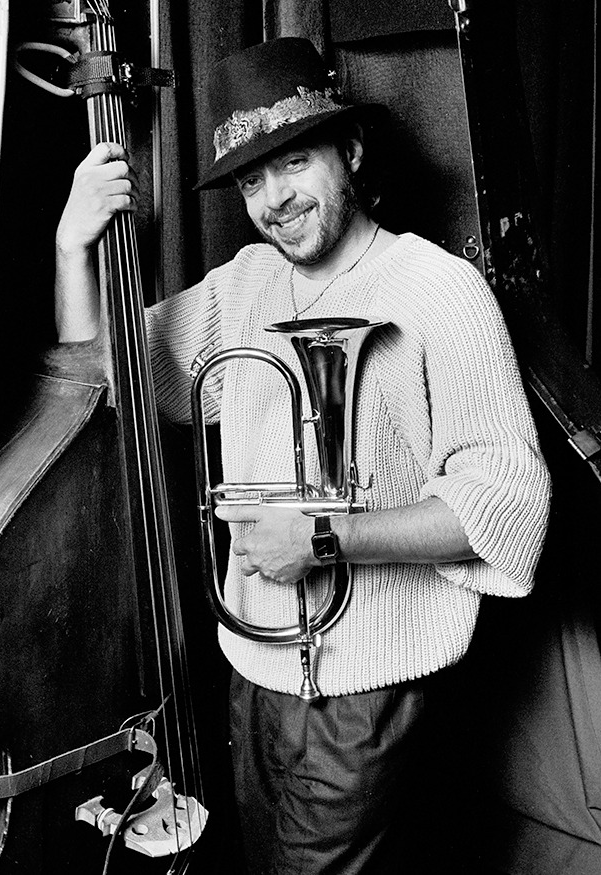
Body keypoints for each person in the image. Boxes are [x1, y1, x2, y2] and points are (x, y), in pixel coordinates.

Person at [54, 37, 551, 875]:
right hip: (250, 679)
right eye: (252, 180)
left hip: (366, 695)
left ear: (350, 152)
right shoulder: (246, 283)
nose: (273, 199)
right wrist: (74, 247)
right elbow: (108, 378)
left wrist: (322, 537)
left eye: (293, 164)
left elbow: (508, 504)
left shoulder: (439, 290)